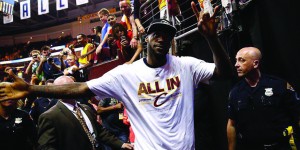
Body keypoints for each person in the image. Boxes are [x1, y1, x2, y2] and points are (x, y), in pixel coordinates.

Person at [0, 3, 233, 149]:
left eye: (167, 35)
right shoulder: (127, 74)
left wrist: (212, 39)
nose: (162, 38)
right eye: (157, 34)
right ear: (146, 40)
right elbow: (81, 89)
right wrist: (32, 89)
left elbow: (224, 74)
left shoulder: (186, 66)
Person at [227, 47, 300, 150]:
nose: (236, 64)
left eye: (242, 60)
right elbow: (231, 124)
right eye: (236, 60)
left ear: (255, 63)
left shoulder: (278, 85)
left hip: (280, 146)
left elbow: (297, 114)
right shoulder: (236, 92)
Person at [37, 76, 133, 150]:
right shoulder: (50, 116)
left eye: (74, 85)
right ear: (57, 91)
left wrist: (121, 144)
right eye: (68, 86)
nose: (74, 89)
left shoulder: (86, 108)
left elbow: (99, 131)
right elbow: (46, 147)